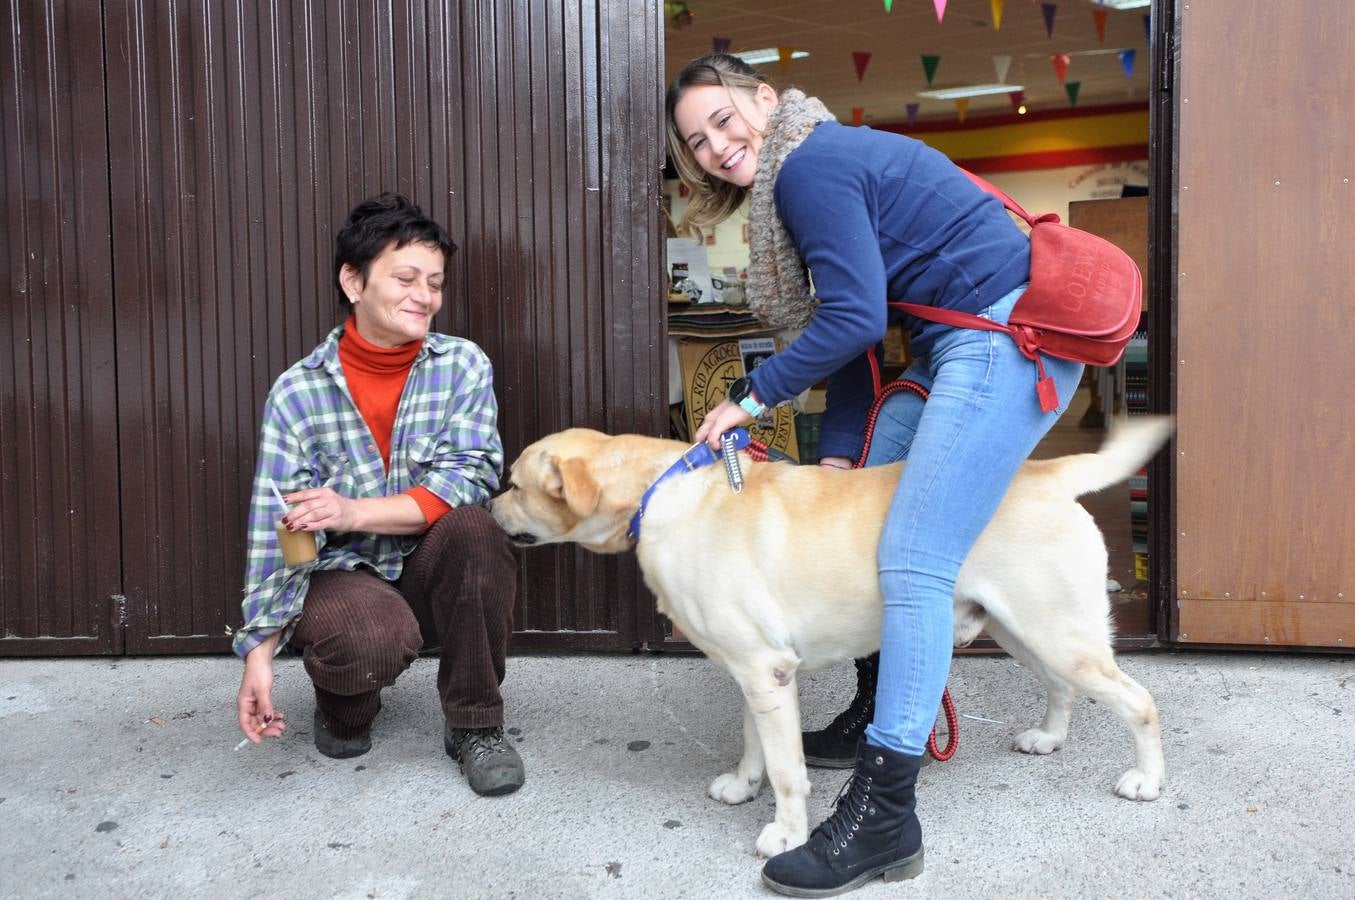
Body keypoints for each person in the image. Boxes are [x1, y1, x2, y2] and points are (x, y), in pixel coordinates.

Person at [667, 55, 1083, 894]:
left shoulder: (812, 167)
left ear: (764, 100)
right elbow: (857, 339)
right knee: (859, 500)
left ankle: (884, 815)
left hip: (1000, 342)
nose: (715, 145)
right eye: (695, 140)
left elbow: (852, 314)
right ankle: (874, 708)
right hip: (953, 345)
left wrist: (748, 400)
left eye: (722, 118)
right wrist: (838, 454)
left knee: (913, 559)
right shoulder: (806, 171)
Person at [232, 193, 524, 797]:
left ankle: (476, 725)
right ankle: (343, 706)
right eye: (407, 278)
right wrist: (258, 655)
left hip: (425, 560)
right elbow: (279, 530)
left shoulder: (462, 366)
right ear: (353, 280)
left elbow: (470, 475)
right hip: (341, 574)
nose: (425, 296)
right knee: (365, 651)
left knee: (478, 529)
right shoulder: (298, 393)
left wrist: (352, 509)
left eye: (436, 283)